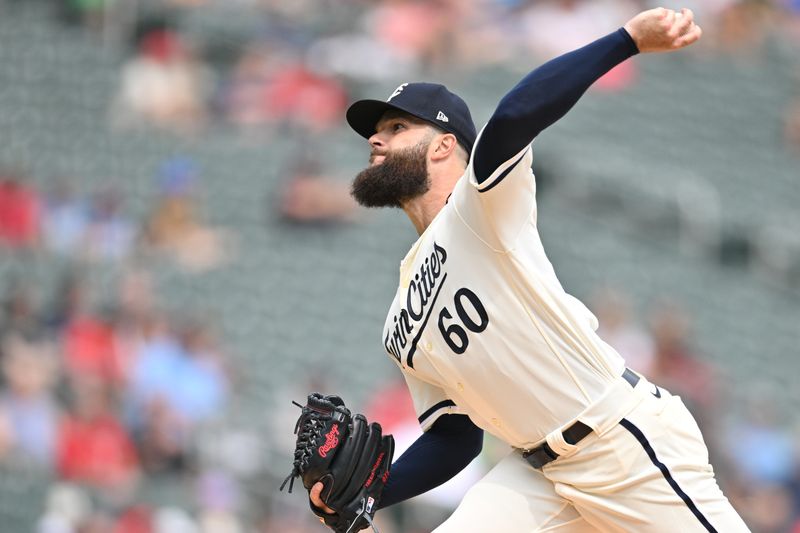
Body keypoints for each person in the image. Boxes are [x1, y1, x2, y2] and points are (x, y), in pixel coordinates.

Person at [310, 7, 749, 532]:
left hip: (621, 444)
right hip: (536, 476)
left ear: (445, 145)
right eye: (375, 133)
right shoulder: (400, 320)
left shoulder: (479, 207)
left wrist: (625, 40)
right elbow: (455, 437)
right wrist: (369, 493)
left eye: (397, 127)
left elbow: (515, 116)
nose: (375, 141)